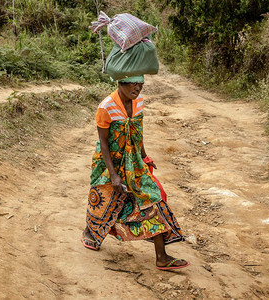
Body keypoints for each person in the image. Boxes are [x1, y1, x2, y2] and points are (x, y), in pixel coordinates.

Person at [81, 75, 189, 271]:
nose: (138, 88)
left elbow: (138, 132)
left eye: (140, 84)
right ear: (120, 82)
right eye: (133, 83)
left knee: (153, 198)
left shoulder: (139, 102)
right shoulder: (105, 107)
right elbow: (103, 143)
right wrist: (113, 175)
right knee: (103, 200)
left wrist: (145, 157)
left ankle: (161, 256)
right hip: (108, 164)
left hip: (134, 162)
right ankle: (90, 232)